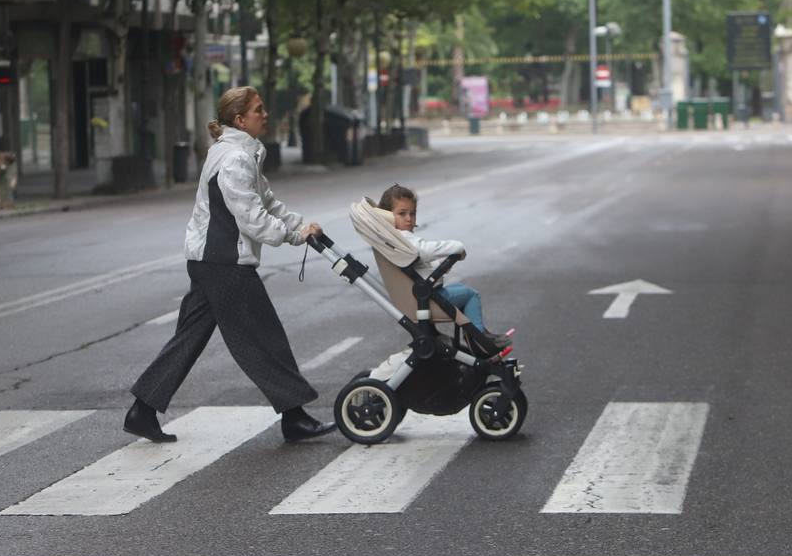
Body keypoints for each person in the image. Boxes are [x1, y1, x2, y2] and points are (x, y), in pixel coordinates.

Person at [124, 86, 335, 444]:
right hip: (224, 263)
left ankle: (142, 410)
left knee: (189, 338)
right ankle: (294, 417)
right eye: (258, 109)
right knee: (264, 337)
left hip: (211, 262)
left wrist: (300, 224)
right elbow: (252, 217)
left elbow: (266, 201)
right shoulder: (234, 158)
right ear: (240, 119)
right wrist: (294, 237)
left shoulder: (242, 153)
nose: (265, 114)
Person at [378, 183, 512, 355]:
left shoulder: (393, 238)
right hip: (426, 300)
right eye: (402, 213)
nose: (409, 218)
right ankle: (478, 339)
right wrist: (456, 246)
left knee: (462, 290)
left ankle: (464, 335)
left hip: (423, 295)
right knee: (470, 295)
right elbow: (423, 250)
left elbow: (417, 263)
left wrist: (438, 267)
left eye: (412, 213)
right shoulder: (403, 238)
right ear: (388, 217)